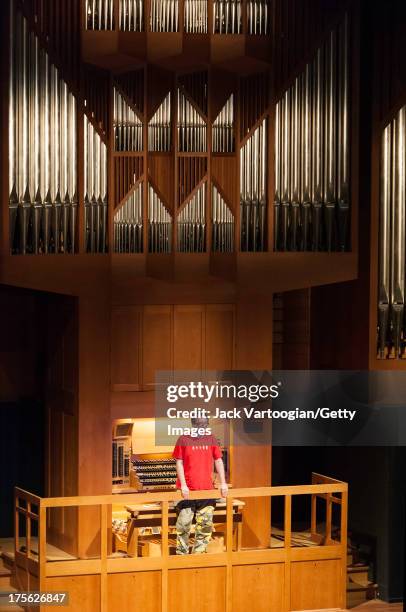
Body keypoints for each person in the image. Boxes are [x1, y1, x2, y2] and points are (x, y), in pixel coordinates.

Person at [172, 418, 228, 555]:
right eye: (199, 424)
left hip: (206, 490)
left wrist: (223, 482)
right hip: (187, 491)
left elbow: (218, 460)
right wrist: (183, 485)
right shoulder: (183, 439)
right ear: (193, 424)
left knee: (205, 525)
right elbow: (179, 463)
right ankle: (182, 554)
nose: (202, 427)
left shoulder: (211, 439)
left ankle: (199, 554)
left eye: (205, 424)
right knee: (183, 524)